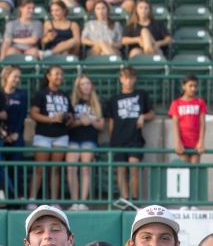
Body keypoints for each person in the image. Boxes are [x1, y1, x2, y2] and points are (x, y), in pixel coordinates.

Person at [107, 67, 154, 203]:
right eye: (126, 78)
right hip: (118, 139)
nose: (129, 81)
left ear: (135, 79)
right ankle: (125, 200)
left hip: (135, 138)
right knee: (121, 171)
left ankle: (134, 200)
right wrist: (112, 140)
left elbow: (152, 113)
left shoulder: (141, 94)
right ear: (121, 79)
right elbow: (111, 121)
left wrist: (143, 117)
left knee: (134, 168)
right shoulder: (114, 99)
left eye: (131, 78)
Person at [29, 66, 71, 205]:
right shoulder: (41, 94)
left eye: (61, 74)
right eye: (56, 74)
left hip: (61, 135)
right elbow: (34, 114)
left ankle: (54, 201)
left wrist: (67, 117)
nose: (59, 77)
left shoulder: (65, 95)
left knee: (56, 169)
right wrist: (52, 119)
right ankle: (32, 200)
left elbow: (70, 115)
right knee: (39, 168)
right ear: (48, 76)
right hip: (43, 135)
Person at [67, 74, 104, 209]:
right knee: (71, 168)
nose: (86, 86)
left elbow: (101, 125)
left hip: (89, 139)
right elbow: (68, 124)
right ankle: (74, 202)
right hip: (73, 139)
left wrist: (91, 121)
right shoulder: (72, 102)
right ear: (78, 87)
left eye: (88, 83)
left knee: (85, 169)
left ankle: (82, 202)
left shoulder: (96, 103)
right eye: (82, 84)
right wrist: (79, 122)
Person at [0, 65, 29, 199]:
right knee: (1, 168)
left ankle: (18, 195)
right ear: (6, 76)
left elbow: (22, 117)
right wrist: (4, 135)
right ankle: (4, 195)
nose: (17, 79)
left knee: (16, 166)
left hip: (16, 136)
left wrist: (16, 134)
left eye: (19, 77)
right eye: (15, 76)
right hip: (0, 136)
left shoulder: (22, 94)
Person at [169, 75, 207, 164]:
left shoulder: (200, 102)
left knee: (194, 169)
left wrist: (201, 141)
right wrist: (177, 141)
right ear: (184, 86)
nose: (193, 89)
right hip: (183, 141)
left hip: (196, 141)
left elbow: (202, 123)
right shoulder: (176, 103)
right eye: (190, 86)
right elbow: (175, 124)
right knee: (183, 169)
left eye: (195, 86)